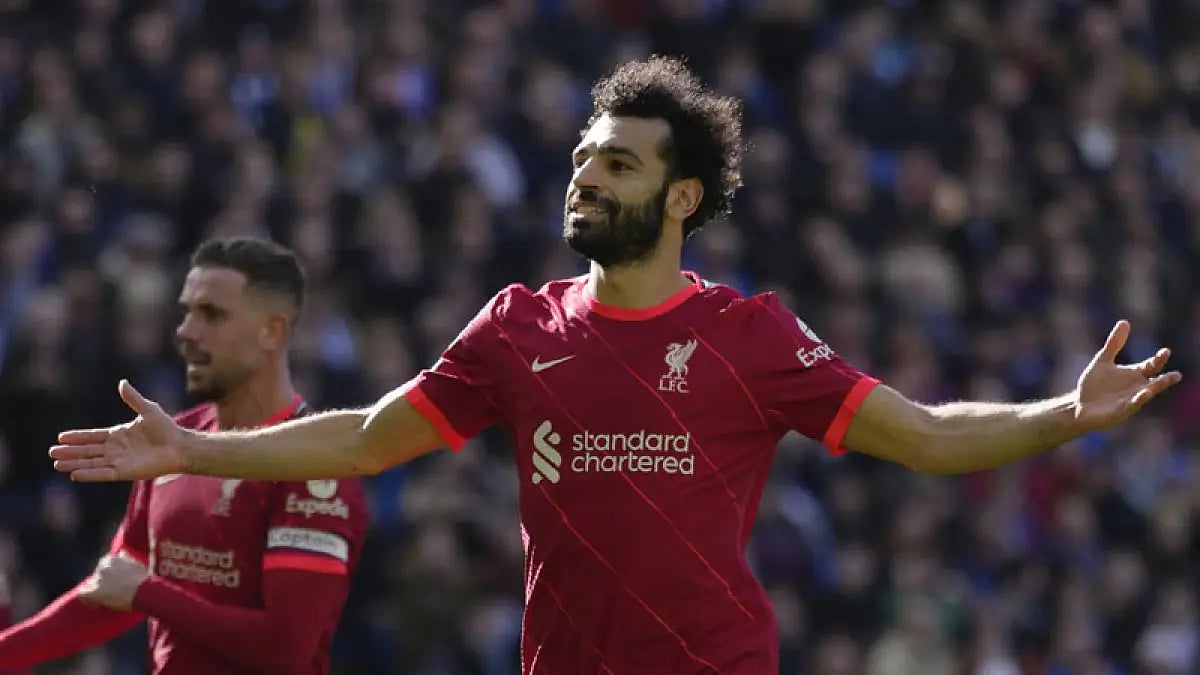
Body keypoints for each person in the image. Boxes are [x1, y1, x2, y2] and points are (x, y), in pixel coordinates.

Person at [50, 57, 1180, 674]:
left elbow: (929, 434)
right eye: (585, 158)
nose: (586, 179)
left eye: (620, 165)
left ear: (682, 198)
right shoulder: (515, 327)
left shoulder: (753, 336)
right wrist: (196, 446)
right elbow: (364, 436)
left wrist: (1063, 415)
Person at [7, 237, 368, 673]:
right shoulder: (173, 442)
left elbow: (285, 648)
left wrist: (149, 594)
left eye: (211, 315)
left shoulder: (313, 467)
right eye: (186, 313)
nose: (186, 331)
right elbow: (112, 593)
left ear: (272, 331)